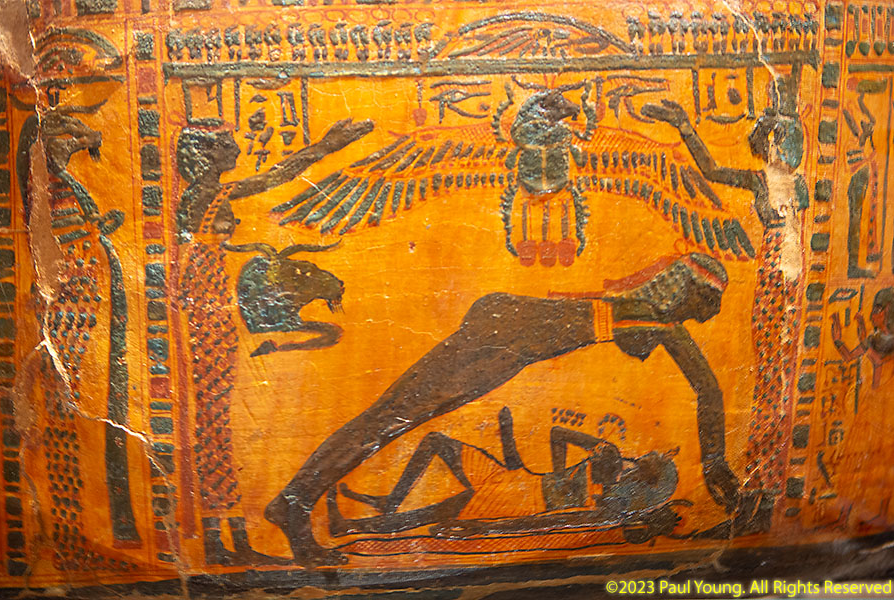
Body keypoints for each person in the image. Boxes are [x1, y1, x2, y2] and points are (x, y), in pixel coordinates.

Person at [265, 252, 740, 566]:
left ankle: (292, 502)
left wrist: (716, 460)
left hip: (506, 343)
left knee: (390, 418)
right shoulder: (652, 316)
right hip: (500, 337)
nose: (708, 314)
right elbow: (707, 387)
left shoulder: (652, 314)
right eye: (705, 301)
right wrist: (715, 460)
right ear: (684, 291)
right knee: (388, 420)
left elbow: (706, 386)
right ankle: (293, 503)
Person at [174, 118, 372, 565]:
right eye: (226, 144)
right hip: (205, 307)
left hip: (212, 303)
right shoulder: (206, 194)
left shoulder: (206, 195)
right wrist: (327, 144)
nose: (236, 149)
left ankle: (232, 540)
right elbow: (274, 177)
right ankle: (220, 544)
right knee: (212, 427)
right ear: (204, 154)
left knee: (217, 426)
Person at [643, 99, 808, 534]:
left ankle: (763, 496)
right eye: (771, 140)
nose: (774, 148)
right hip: (772, 272)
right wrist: (685, 126)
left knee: (778, 381)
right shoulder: (760, 181)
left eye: (779, 139)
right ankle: (756, 496)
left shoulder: (797, 185)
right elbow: (712, 170)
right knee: (768, 378)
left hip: (789, 277)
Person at [326, 406, 678, 537]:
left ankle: (349, 526)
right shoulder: (611, 461)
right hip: (515, 481)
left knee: (429, 515)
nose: (644, 457)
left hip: (515, 504)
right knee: (434, 441)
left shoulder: (609, 509)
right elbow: (557, 434)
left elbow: (545, 524)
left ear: (646, 481)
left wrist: (482, 528)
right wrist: (583, 451)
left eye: (652, 461)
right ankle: (390, 500)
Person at [831, 288, 894, 389]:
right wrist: (837, 340)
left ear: (888, 310)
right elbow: (849, 357)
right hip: (875, 392)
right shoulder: (874, 339)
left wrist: (864, 340)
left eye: (877, 310)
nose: (872, 316)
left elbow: (877, 361)